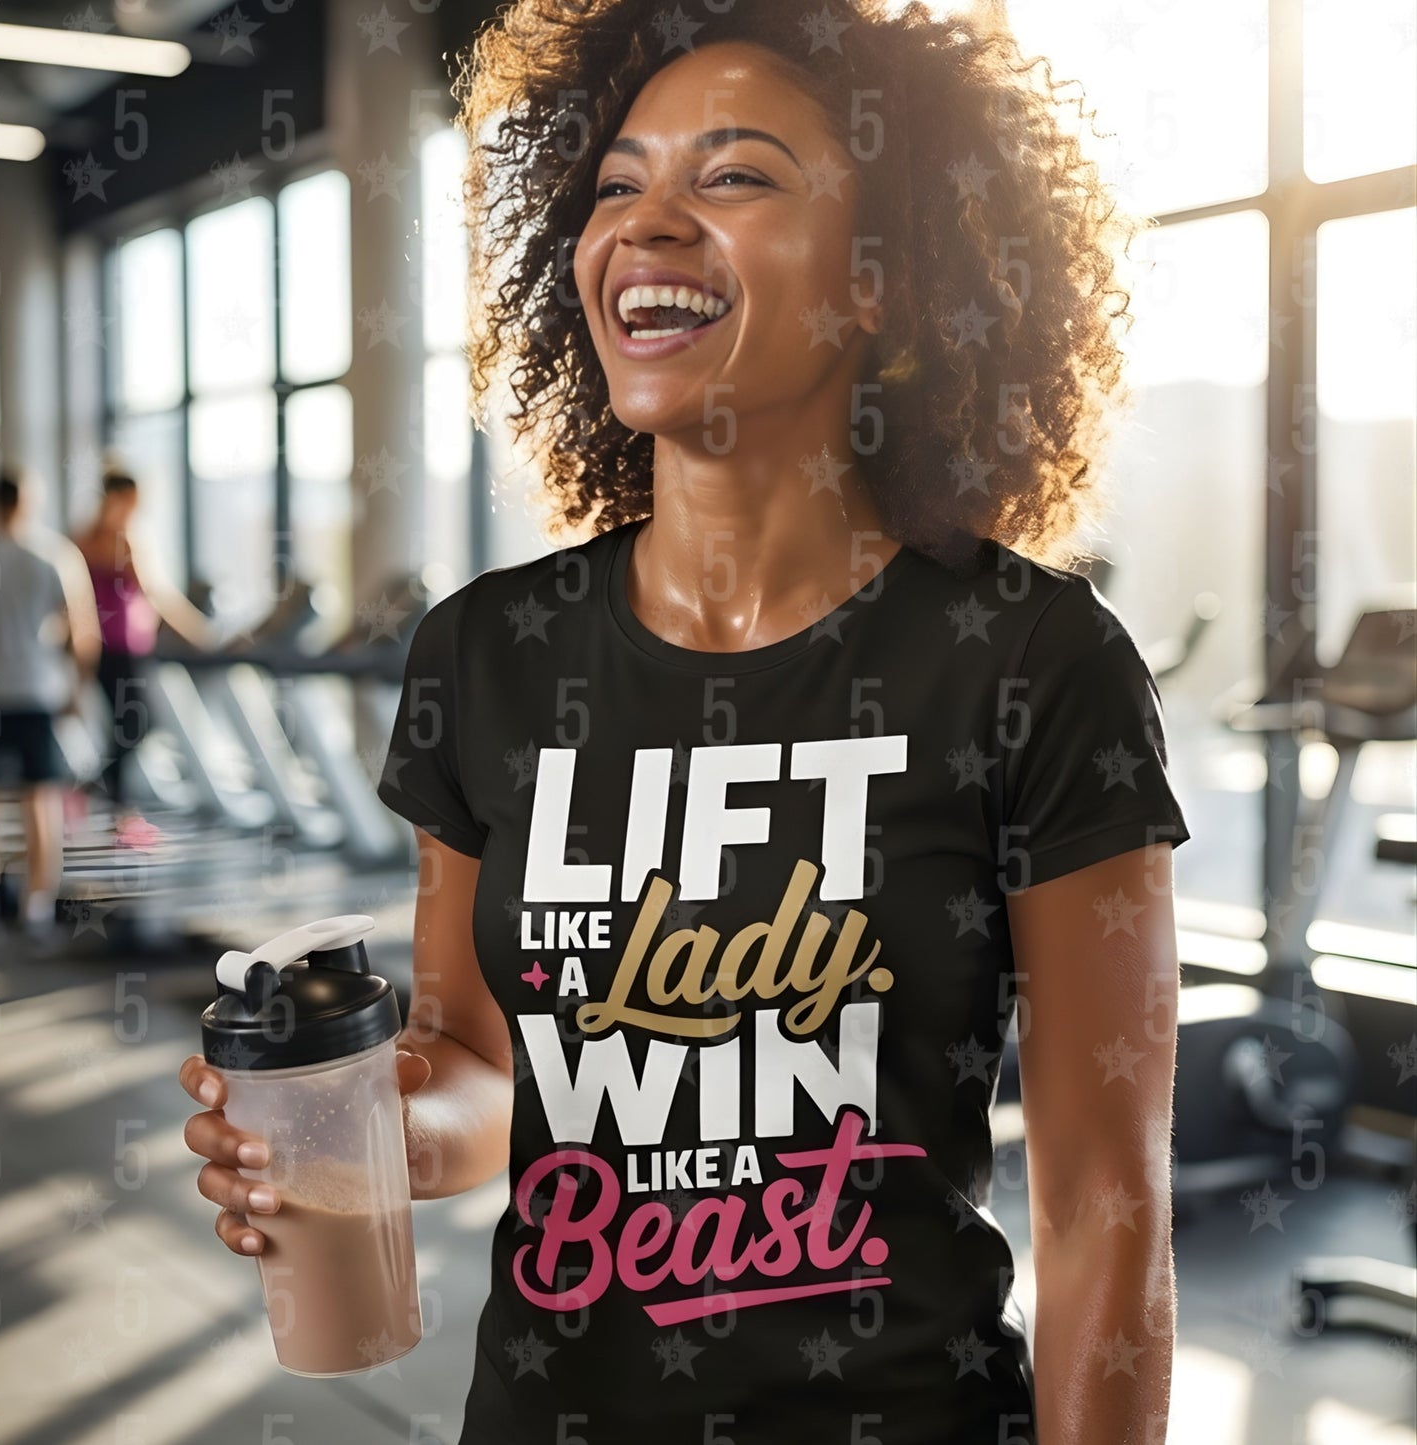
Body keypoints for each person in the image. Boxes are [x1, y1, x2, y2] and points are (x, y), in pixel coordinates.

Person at [181, 5, 1192, 1442]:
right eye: (615, 186)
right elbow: (478, 1064)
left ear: (877, 286)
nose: (645, 223)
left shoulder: (1030, 660)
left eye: (733, 177)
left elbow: (1107, 1201)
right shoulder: (486, 655)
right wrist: (364, 1141)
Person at [0, 468, 101, 931]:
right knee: (40, 799)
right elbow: (84, 633)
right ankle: (37, 906)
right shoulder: (53, 554)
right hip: (37, 691)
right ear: (29, 501)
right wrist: (77, 691)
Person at [73, 466, 216, 845]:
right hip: (121, 649)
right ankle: (103, 793)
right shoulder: (125, 539)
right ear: (125, 497)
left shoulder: (84, 538)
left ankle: (119, 812)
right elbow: (158, 593)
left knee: (124, 727)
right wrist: (201, 633)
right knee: (137, 724)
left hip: (106, 649)